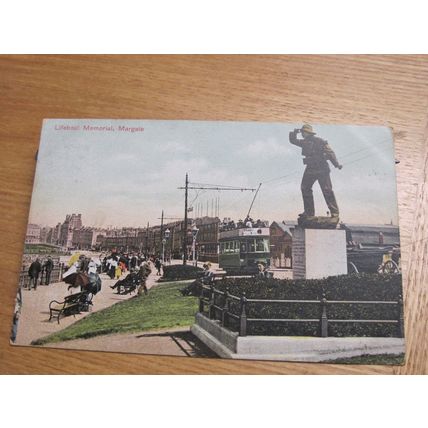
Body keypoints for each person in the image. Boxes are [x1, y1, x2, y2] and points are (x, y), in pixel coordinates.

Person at [289, 124, 343, 218]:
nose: (302, 134)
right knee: (305, 187)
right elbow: (293, 140)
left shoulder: (321, 141)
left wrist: (336, 164)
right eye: (301, 132)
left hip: (322, 168)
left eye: (303, 132)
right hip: (310, 168)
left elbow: (330, 153)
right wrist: (294, 133)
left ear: (308, 133)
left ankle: (335, 212)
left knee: (327, 190)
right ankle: (309, 212)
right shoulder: (304, 142)